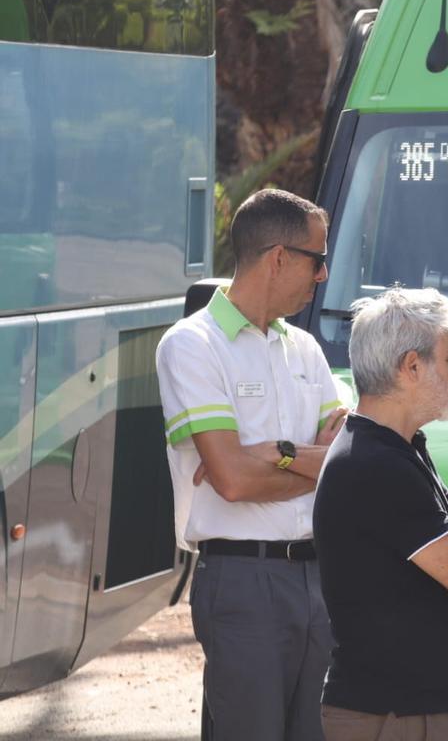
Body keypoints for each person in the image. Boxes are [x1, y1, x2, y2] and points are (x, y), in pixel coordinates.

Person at [156, 188, 348, 741]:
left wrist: (281, 454)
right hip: (243, 581)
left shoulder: (307, 349)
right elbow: (235, 482)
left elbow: (349, 460)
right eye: (318, 259)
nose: (323, 275)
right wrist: (311, 464)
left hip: (320, 580)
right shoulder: (191, 345)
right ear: (279, 258)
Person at [313, 287, 448, 741]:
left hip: (409, 711)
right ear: (411, 367)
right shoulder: (378, 465)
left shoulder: (400, 448)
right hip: (395, 716)